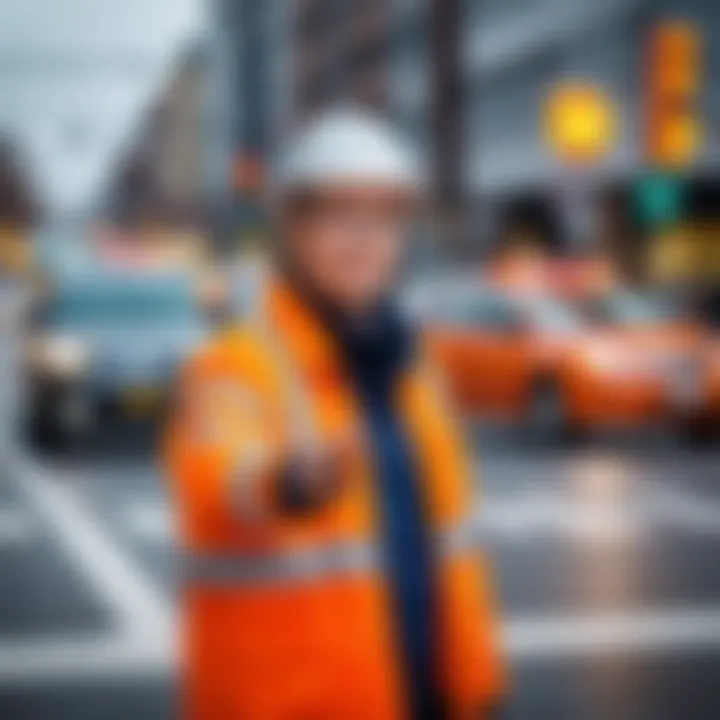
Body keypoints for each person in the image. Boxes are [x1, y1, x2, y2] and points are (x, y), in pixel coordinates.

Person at [164, 108, 505, 719]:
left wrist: (476, 691)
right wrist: (287, 482)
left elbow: (449, 544)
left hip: (430, 694)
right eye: (340, 216)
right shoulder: (236, 364)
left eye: (384, 218)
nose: (366, 239)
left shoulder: (411, 365)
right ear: (293, 231)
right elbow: (220, 475)